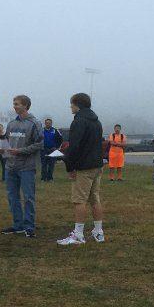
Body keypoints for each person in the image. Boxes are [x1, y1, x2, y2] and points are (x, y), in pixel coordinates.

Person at [58, 92, 104, 245]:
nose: (70, 106)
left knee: (79, 200)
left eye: (71, 103)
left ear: (77, 104)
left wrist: (70, 166)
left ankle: (78, 235)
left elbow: (75, 146)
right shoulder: (96, 121)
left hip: (84, 167)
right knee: (95, 199)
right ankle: (98, 231)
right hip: (97, 165)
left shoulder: (79, 121)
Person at [1, 94, 44, 238]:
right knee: (12, 197)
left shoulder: (34, 123)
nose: (14, 106)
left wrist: (20, 151)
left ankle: (29, 226)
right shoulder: (11, 124)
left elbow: (40, 144)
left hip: (27, 166)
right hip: (10, 166)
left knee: (28, 197)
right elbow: (7, 141)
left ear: (26, 106)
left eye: (17, 103)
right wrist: (2, 149)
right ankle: (17, 225)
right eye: (13, 103)